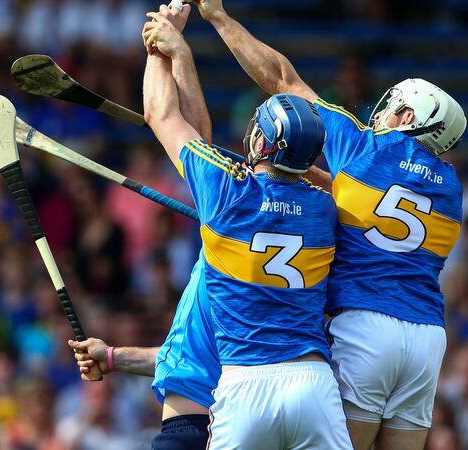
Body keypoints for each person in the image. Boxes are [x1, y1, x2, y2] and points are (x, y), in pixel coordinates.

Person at [188, 1, 466, 448]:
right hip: (427, 337)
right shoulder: (451, 189)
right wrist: (311, 177)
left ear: (410, 118)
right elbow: (366, 203)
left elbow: (282, 79)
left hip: (365, 325)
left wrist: (219, 18)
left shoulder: (363, 146)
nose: (382, 114)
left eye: (394, 108)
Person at [139, 14, 351, 448]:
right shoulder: (328, 208)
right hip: (313, 382)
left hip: (245, 383)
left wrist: (161, 47)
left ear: (259, 141)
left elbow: (159, 113)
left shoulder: (224, 189)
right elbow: (337, 188)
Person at [70, 4, 226, 449]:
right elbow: (184, 358)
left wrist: (165, 47)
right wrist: (113, 356)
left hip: (195, 428)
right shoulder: (291, 230)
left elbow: (173, 123)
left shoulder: (233, 210)